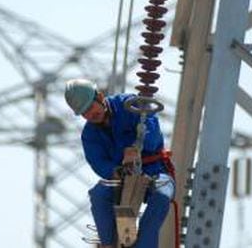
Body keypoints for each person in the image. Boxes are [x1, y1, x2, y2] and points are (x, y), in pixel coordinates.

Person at [64, 78, 175, 248]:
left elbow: (153, 138)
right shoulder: (90, 135)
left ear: (100, 97)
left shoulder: (130, 105)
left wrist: (136, 147)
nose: (90, 114)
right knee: (98, 194)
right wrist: (116, 171)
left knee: (161, 195)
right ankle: (109, 244)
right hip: (122, 178)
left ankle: (144, 245)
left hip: (154, 169)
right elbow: (98, 162)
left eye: (90, 107)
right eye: (84, 112)